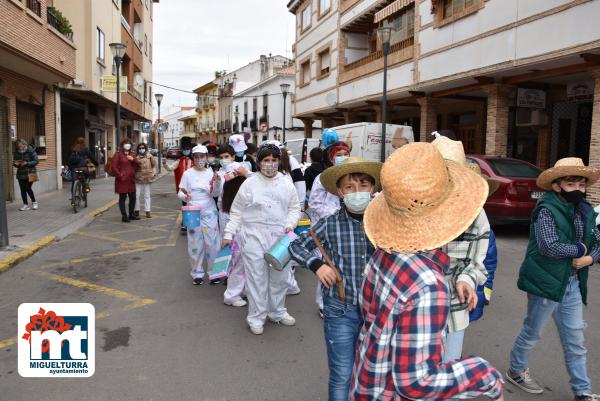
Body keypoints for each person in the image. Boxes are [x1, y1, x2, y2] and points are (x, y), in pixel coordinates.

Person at [350, 142, 504, 401]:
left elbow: (369, 313)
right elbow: (416, 383)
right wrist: (485, 374)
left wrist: (466, 278)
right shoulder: (428, 285)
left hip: (370, 381)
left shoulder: (384, 253)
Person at [506, 157, 600, 401]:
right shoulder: (546, 210)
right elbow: (549, 247)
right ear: (557, 186)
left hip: (572, 285)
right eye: (571, 184)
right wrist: (580, 250)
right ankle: (516, 370)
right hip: (545, 283)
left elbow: (597, 241)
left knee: (575, 341)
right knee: (532, 332)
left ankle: (582, 391)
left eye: (582, 184)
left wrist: (590, 259)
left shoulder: (586, 210)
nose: (578, 190)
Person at [289, 157, 381, 401]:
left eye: (363, 186)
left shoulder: (383, 222)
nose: (357, 192)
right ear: (340, 191)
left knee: (374, 373)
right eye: (350, 187)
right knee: (342, 374)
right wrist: (317, 264)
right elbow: (296, 245)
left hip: (379, 311)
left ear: (373, 188)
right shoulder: (330, 224)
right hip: (341, 310)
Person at [222, 143, 301, 335]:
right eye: (266, 160)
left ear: (279, 162)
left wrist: (290, 224)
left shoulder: (286, 182)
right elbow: (237, 211)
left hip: (280, 237)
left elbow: (294, 208)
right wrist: (228, 233)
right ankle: (256, 317)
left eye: (274, 160)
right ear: (259, 163)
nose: (270, 164)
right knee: (257, 279)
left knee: (280, 277)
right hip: (253, 236)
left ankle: (277, 312)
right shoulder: (249, 183)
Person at [431, 135, 494, 363]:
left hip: (454, 309)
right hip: (413, 313)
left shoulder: (475, 213)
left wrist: (467, 279)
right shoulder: (412, 206)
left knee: (448, 372)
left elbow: (478, 261)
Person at [178, 145, 222, 286]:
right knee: (194, 243)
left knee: (213, 242)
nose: (199, 159)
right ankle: (197, 273)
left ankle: (214, 272)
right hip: (192, 210)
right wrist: (186, 197)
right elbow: (180, 192)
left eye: (202, 156)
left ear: (206, 157)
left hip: (209, 209)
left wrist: (216, 184)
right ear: (193, 158)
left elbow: (215, 194)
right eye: (196, 157)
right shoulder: (187, 174)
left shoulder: (211, 173)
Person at [220, 162, 249, 307]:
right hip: (241, 235)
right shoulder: (244, 191)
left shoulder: (228, 191)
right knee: (239, 266)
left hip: (238, 234)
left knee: (239, 265)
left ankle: (239, 291)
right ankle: (232, 295)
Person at [164, 136, 194, 232]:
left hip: (194, 187)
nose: (186, 151)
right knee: (185, 205)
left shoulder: (195, 160)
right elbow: (170, 168)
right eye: (184, 149)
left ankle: (193, 222)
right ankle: (185, 223)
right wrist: (165, 164)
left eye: (187, 149)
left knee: (194, 205)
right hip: (183, 188)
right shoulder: (178, 161)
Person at [111, 138, 141, 223]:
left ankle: (131, 215)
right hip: (122, 180)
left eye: (129, 143)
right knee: (122, 198)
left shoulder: (132, 154)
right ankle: (124, 216)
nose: (127, 145)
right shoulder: (118, 154)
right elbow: (113, 167)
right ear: (122, 145)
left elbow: (139, 164)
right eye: (125, 143)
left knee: (133, 198)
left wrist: (133, 159)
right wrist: (120, 175)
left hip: (131, 180)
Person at [13, 138, 39, 211]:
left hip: (31, 172)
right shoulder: (16, 152)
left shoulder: (31, 150)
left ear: (24, 144)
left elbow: (36, 161)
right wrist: (15, 164)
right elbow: (15, 162)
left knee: (27, 187)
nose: (20, 148)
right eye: (18, 146)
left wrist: (27, 163)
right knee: (22, 189)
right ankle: (25, 205)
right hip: (21, 173)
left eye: (21, 146)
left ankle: (34, 202)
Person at [134, 143, 156, 218]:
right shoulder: (135, 157)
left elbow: (154, 166)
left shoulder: (150, 156)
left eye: (142, 148)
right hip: (138, 178)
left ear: (145, 148)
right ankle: (136, 210)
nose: (141, 149)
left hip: (147, 177)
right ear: (138, 149)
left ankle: (148, 211)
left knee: (147, 195)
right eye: (139, 148)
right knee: (136, 195)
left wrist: (153, 173)